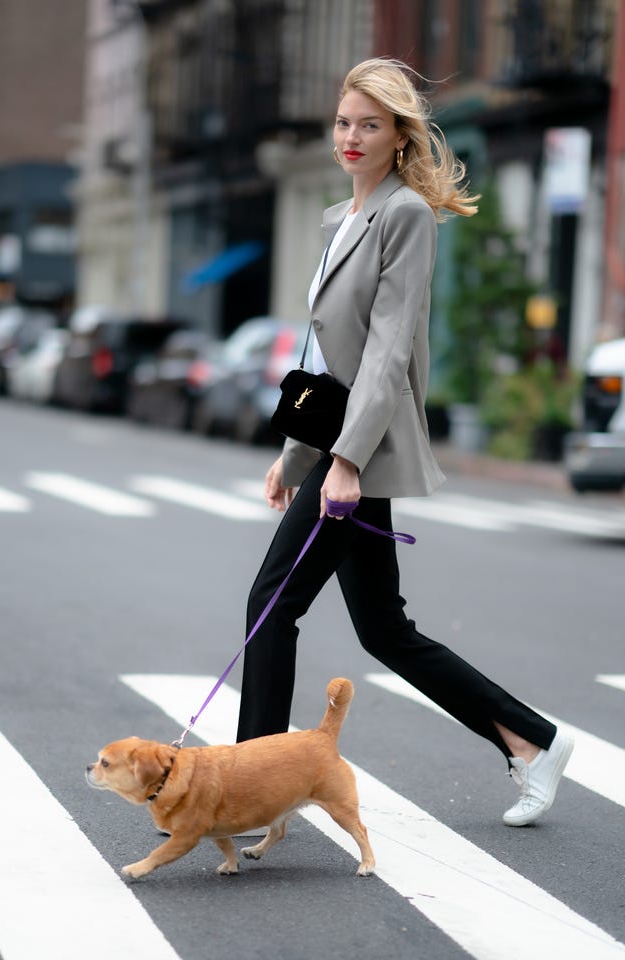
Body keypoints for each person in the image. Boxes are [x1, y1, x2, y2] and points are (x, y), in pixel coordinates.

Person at [236, 58, 574, 827]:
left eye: (370, 124)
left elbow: (388, 350)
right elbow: (329, 361)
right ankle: (533, 740)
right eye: (343, 122)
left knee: (270, 605)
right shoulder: (338, 218)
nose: (351, 136)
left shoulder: (405, 215)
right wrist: (295, 454)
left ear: (399, 136)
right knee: (384, 630)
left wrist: (345, 462)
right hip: (337, 448)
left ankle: (253, 787)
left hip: (362, 454)